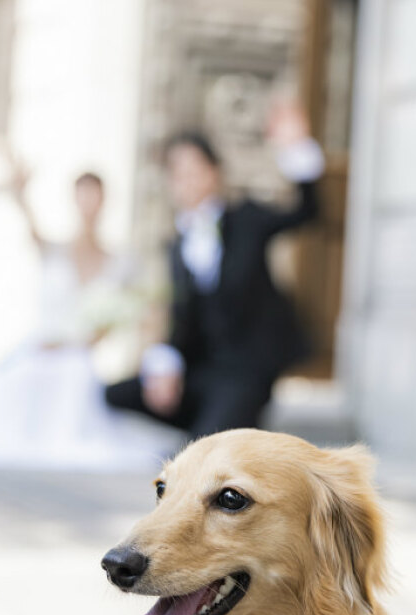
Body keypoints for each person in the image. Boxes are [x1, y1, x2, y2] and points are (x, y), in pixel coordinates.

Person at [0, 167, 170, 470]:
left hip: (77, 356)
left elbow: (135, 310)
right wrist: (20, 194)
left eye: (94, 197)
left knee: (75, 378)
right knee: (9, 381)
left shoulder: (119, 261)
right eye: (82, 196)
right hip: (39, 349)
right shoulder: (55, 249)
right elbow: (33, 231)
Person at [105, 102, 323, 438]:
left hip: (247, 370)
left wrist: (295, 146)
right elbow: (183, 320)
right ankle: (214, 422)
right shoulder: (177, 245)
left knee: (206, 452)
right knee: (116, 393)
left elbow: (306, 212)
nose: (187, 181)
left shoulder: (246, 219)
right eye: (177, 173)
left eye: (194, 169)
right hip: (202, 370)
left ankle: (228, 422)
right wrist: (165, 366)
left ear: (214, 172)